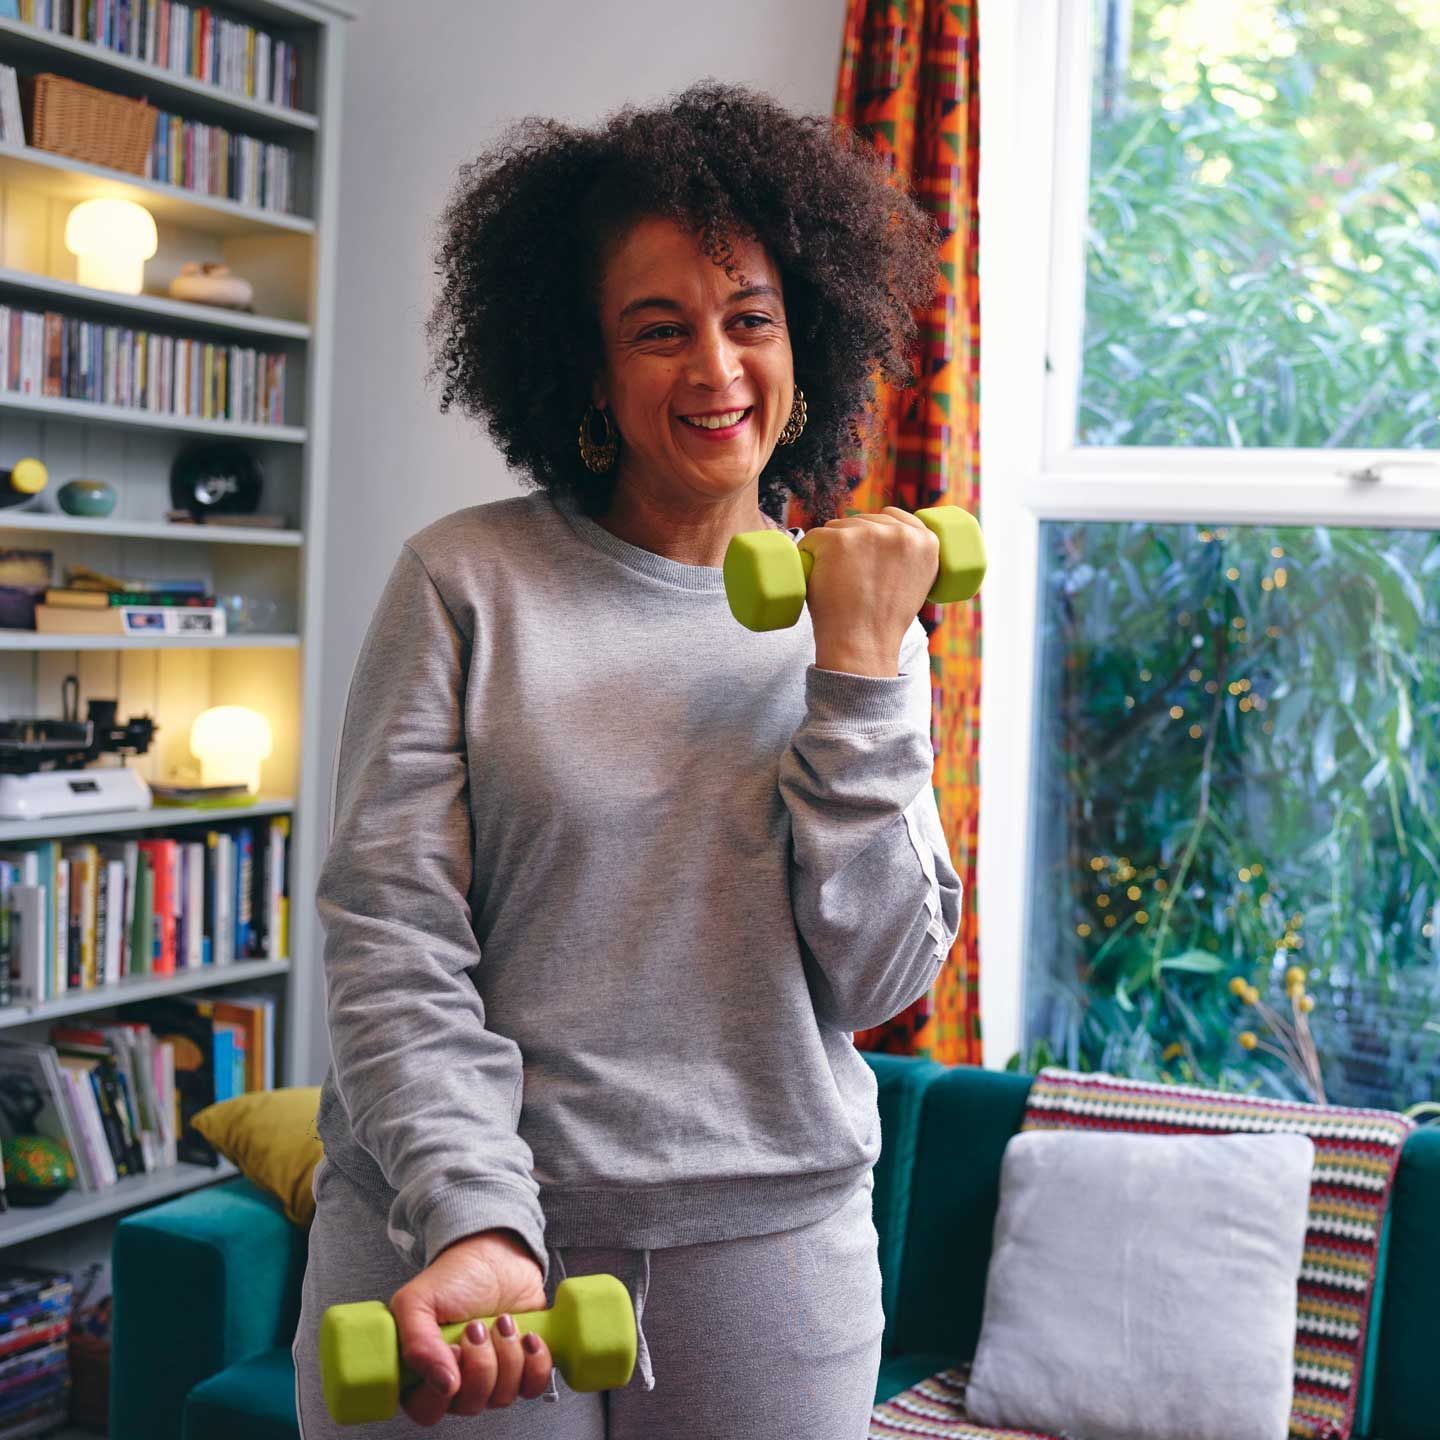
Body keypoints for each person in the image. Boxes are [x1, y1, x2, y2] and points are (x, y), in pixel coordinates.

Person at [292, 79, 962, 1439]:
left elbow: (881, 976)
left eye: (749, 319)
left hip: (770, 1258)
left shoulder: (867, 613)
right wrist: (476, 1216)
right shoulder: (465, 583)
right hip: (467, 1245)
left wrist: (857, 676)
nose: (716, 369)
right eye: (660, 330)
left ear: (806, 339)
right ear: (587, 369)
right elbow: (392, 942)